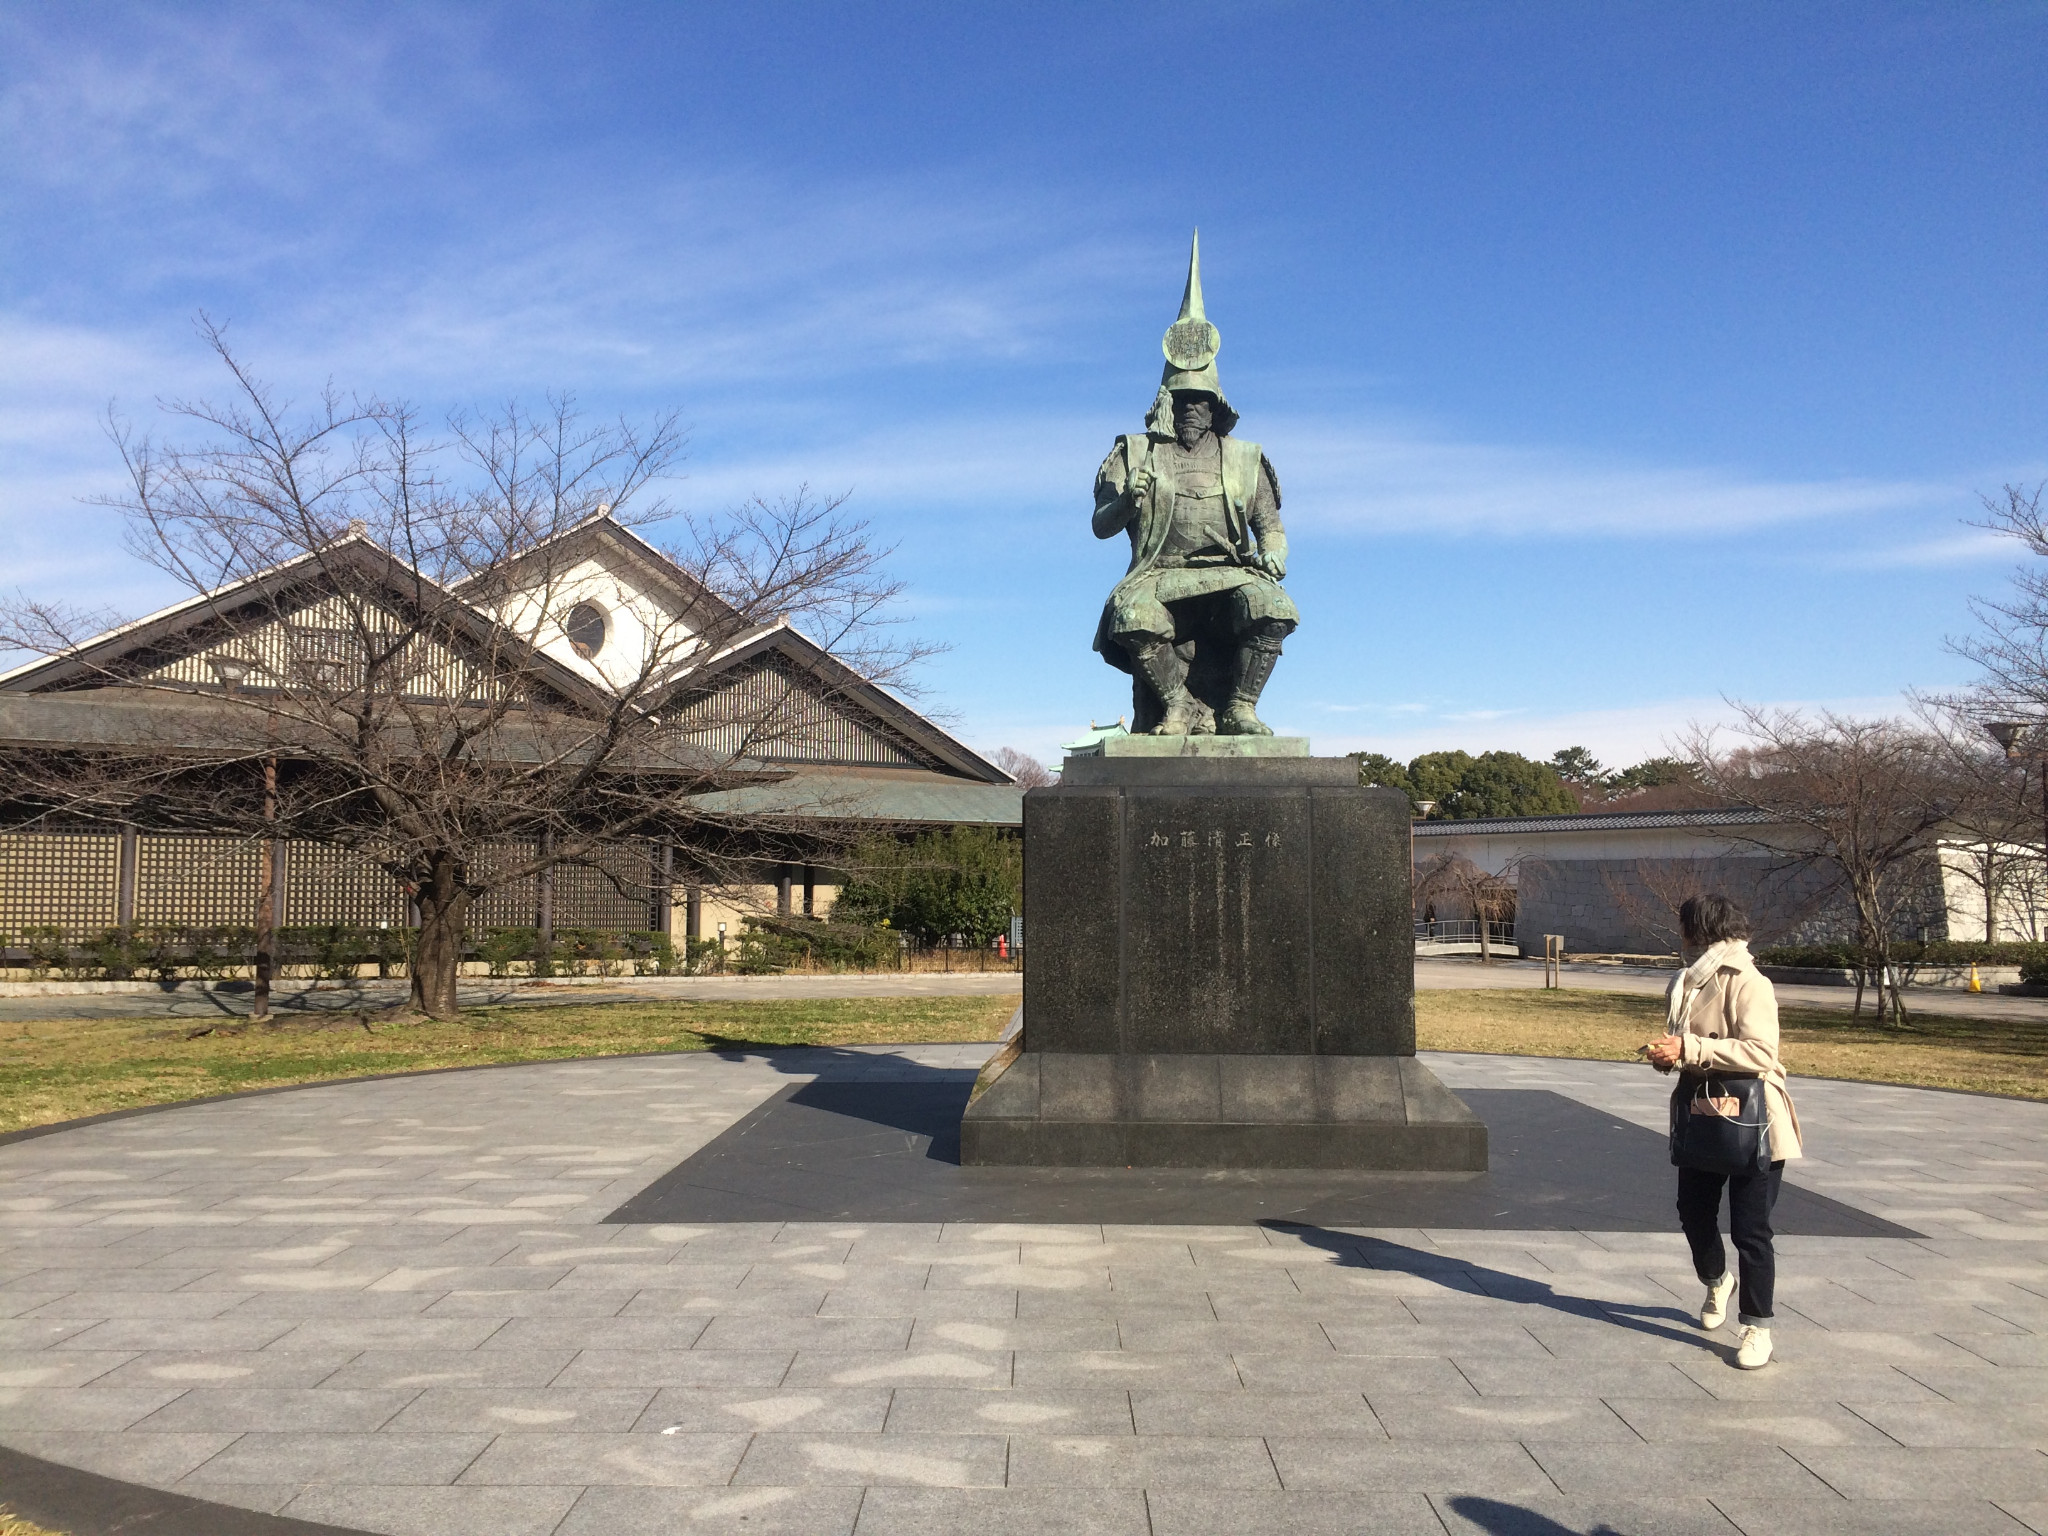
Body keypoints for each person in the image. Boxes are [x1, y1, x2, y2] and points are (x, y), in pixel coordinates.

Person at [1642, 893, 1803, 1369]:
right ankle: (1717, 1280)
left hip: (1752, 1121)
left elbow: (1761, 1052)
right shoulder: (1684, 982)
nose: (1682, 937)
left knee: (1752, 1231)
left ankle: (1756, 1327)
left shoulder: (1749, 981)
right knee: (1692, 1214)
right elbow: (1687, 1049)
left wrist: (1690, 1048)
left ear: (1705, 930)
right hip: (1700, 1114)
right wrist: (1667, 1054)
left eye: (1686, 927)